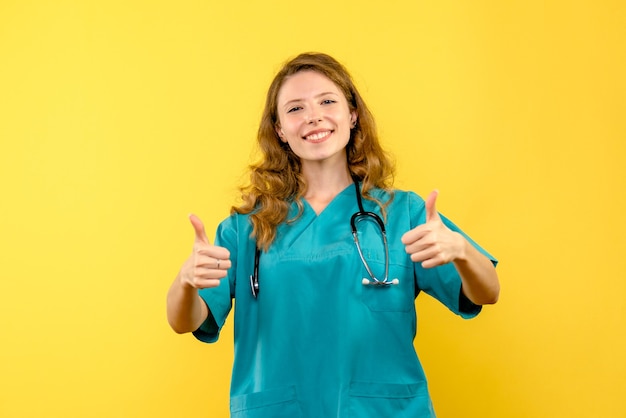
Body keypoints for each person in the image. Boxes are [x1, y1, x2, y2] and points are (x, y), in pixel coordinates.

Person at [167, 52, 500, 417]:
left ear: (352, 114)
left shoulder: (403, 213)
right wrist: (185, 281)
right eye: (295, 109)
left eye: (327, 101)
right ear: (279, 129)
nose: (313, 116)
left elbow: (485, 292)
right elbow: (187, 321)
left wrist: (463, 251)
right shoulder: (246, 228)